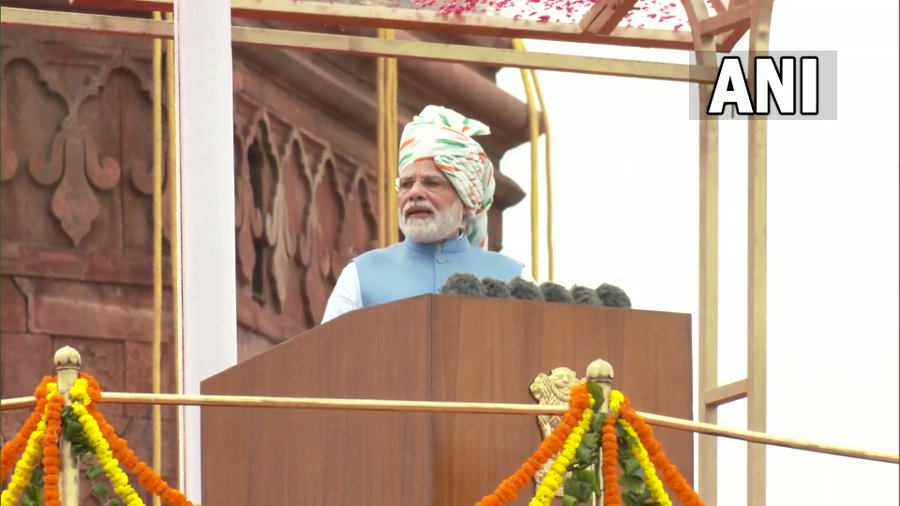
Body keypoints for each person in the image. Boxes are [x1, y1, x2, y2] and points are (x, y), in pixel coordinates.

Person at [321, 105, 525, 323]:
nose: (414, 193)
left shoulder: (514, 279)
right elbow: (326, 354)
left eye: (432, 183)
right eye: (406, 184)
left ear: (465, 198)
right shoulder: (360, 276)